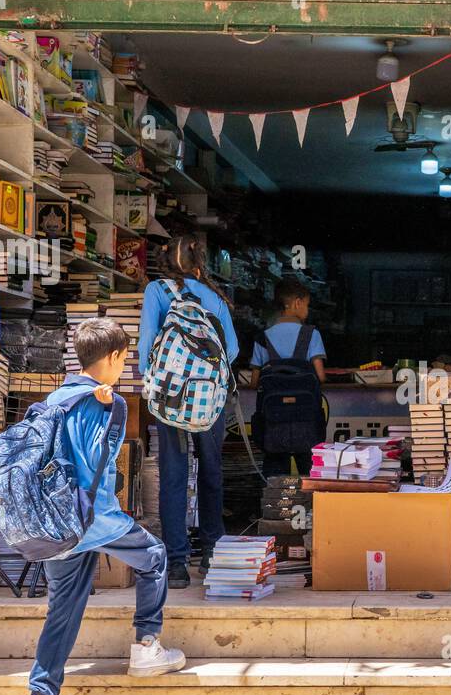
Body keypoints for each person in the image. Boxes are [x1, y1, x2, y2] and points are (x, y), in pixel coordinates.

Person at [18, 318, 186, 695]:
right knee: (154, 557)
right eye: (125, 357)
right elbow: (94, 466)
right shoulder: (105, 401)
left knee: (64, 611)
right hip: (90, 518)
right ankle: (147, 647)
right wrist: (111, 412)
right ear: (112, 357)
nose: (125, 365)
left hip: (52, 521)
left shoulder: (54, 398)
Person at [138, 235, 239, 588]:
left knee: (174, 475)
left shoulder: (157, 291)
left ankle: (177, 563)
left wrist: (153, 382)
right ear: (200, 265)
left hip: (171, 401)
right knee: (212, 471)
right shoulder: (216, 297)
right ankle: (212, 552)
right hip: (209, 402)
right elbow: (233, 350)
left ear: (166, 263)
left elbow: (147, 341)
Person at [248, 278, 327, 476]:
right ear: (297, 303)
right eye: (307, 305)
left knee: (274, 476)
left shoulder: (262, 337)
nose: (307, 311)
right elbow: (320, 376)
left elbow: (254, 381)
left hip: (274, 424)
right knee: (310, 474)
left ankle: (274, 505)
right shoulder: (311, 334)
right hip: (306, 423)